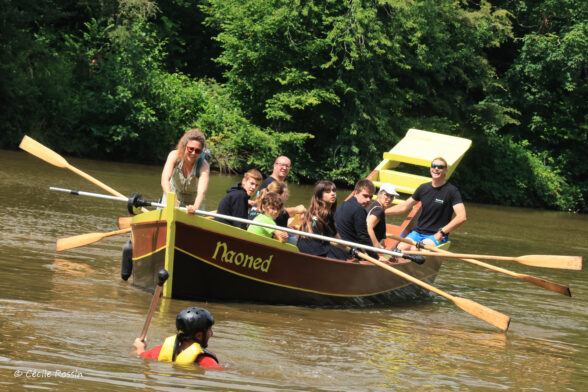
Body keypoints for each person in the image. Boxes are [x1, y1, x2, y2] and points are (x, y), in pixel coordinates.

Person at [385, 157, 467, 251]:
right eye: (434, 166)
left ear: (445, 170)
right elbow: (404, 206)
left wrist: (441, 232)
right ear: (430, 169)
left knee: (414, 249)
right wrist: (382, 211)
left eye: (440, 167)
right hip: (417, 233)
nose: (436, 168)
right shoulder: (423, 188)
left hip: (436, 235)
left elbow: (461, 217)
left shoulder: (452, 191)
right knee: (400, 247)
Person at [133, 307, 221, 369]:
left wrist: (140, 346)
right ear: (199, 336)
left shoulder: (158, 351)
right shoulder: (206, 360)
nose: (212, 333)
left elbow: (139, 354)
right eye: (209, 330)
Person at [335, 179, 387, 261]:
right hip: (348, 253)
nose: (368, 200)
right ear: (356, 193)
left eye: (370, 197)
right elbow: (363, 237)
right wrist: (376, 257)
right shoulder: (359, 210)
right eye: (365, 196)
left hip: (336, 249)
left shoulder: (343, 204)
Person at [161, 128, 210, 213]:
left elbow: (201, 192)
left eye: (198, 151)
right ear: (184, 147)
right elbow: (165, 180)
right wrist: (171, 200)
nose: (193, 153)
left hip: (193, 202)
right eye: (191, 149)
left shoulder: (204, 165)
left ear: (201, 152)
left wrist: (195, 207)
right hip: (172, 195)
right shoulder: (174, 156)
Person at [298, 180, 348, 260]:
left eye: (334, 191)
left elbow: (313, 224)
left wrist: (346, 247)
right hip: (313, 251)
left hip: (302, 246)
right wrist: (348, 249)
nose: (333, 194)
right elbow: (335, 237)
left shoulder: (313, 211)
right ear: (320, 196)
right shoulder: (326, 213)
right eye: (328, 192)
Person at [366, 183, 399, 250]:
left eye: (392, 196)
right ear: (379, 194)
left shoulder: (373, 205)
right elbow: (368, 227)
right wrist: (377, 247)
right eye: (386, 195)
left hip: (367, 244)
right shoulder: (379, 210)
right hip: (370, 248)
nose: (389, 199)